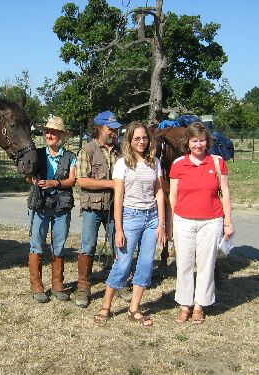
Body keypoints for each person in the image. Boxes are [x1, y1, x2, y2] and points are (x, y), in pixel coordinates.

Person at [93, 121, 166, 325]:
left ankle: (134, 309)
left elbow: (159, 193)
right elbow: (118, 197)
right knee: (123, 263)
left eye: (144, 138)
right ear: (130, 141)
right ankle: (106, 307)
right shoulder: (122, 164)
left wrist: (161, 224)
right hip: (131, 217)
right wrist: (118, 229)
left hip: (151, 218)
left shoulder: (155, 162)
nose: (141, 142)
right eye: (137, 138)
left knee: (145, 264)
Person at [169, 122, 234, 324]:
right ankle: (184, 304)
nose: (198, 144)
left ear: (208, 141)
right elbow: (173, 195)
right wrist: (172, 223)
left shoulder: (217, 162)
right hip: (184, 220)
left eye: (202, 140)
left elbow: (225, 194)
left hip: (211, 220)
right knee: (185, 263)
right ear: (187, 142)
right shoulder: (178, 164)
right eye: (194, 140)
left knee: (206, 264)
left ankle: (199, 305)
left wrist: (228, 222)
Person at [26, 116, 77, 303]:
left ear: (61, 136)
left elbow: (72, 180)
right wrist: (31, 179)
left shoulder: (71, 157)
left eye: (54, 132)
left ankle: (57, 285)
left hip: (61, 205)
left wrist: (55, 183)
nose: (50, 135)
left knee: (59, 244)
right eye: (47, 131)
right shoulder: (37, 155)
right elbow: (28, 175)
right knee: (36, 243)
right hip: (39, 204)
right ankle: (36, 285)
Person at [75, 110, 122, 308]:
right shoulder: (87, 150)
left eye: (116, 129)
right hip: (92, 208)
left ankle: (119, 284)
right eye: (110, 129)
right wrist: (112, 184)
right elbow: (81, 181)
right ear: (99, 128)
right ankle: (83, 288)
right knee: (88, 246)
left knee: (119, 245)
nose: (114, 132)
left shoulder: (121, 151)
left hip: (115, 208)